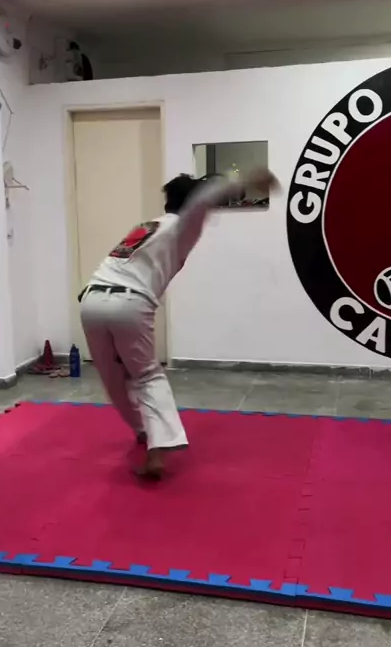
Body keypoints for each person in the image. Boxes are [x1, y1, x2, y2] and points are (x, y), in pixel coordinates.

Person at [80, 166, 279, 478]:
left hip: (91, 299)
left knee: (113, 376)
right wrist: (243, 181)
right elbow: (202, 200)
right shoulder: (182, 225)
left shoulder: (148, 225)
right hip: (129, 303)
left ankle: (144, 430)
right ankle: (158, 449)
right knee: (147, 375)